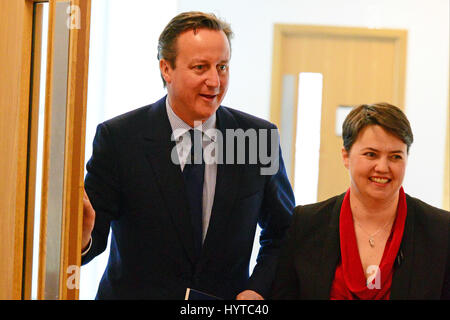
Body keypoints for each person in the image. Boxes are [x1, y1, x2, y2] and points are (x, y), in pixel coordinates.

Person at [81, 11, 294, 300]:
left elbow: (284, 233)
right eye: (200, 67)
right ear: (166, 69)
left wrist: (256, 289)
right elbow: (91, 235)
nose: (215, 81)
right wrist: (79, 240)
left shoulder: (257, 138)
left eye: (222, 67)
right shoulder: (120, 138)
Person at [271, 103, 450, 300]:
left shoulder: (440, 230)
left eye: (395, 156)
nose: (382, 167)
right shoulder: (306, 223)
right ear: (346, 156)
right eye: (371, 154)